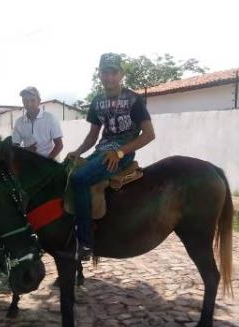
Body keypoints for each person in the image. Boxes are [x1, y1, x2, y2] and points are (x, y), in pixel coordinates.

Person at [66, 53, 156, 259]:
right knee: (68, 172)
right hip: (101, 151)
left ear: (121, 74)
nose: (109, 77)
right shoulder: (97, 102)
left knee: (79, 179)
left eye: (113, 72)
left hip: (121, 154)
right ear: (100, 74)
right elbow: (92, 135)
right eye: (105, 72)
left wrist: (120, 152)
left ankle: (86, 242)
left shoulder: (134, 99)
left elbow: (150, 135)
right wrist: (77, 152)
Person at [12, 86, 63, 159]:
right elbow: (15, 146)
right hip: (27, 161)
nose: (29, 104)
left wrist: (46, 162)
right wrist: (26, 150)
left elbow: (59, 145)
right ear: (22, 102)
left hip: (48, 161)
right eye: (25, 100)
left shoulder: (50, 118)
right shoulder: (19, 122)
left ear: (39, 101)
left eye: (32, 100)